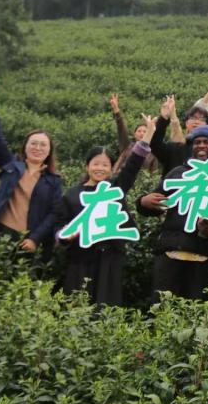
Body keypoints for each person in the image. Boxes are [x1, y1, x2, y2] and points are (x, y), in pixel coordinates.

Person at [54, 115, 156, 306]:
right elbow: (60, 226)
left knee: (106, 304)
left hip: (110, 257)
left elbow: (132, 166)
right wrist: (64, 236)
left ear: (111, 168)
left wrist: (148, 134)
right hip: (80, 258)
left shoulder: (115, 188)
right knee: (77, 304)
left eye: (104, 165)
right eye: (95, 163)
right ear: (87, 166)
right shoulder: (72, 194)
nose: (99, 168)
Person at [136, 125, 208, 301]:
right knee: (162, 307)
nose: (201, 146)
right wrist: (143, 202)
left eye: (206, 142)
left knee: (195, 309)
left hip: (202, 256)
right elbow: (157, 203)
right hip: (170, 251)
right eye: (197, 142)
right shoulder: (177, 173)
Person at [0, 76, 63, 260]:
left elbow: (54, 214)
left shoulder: (53, 180)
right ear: (25, 147)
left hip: (27, 241)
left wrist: (35, 239)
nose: (38, 148)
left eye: (43, 145)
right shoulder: (11, 167)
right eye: (33, 143)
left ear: (49, 151)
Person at [150, 95, 208, 175]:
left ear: (207, 125)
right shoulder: (174, 148)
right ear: (186, 123)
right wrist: (164, 119)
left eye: (201, 119)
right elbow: (155, 144)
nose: (196, 121)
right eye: (193, 118)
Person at [109, 93, 158, 174]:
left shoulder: (153, 153)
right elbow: (121, 129)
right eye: (139, 131)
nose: (142, 133)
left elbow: (154, 174)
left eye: (145, 131)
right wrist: (116, 110)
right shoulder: (127, 146)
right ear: (134, 134)